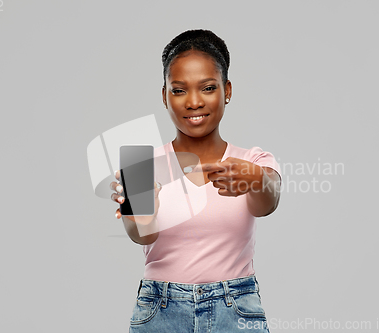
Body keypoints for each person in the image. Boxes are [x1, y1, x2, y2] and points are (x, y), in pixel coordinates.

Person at [110, 29, 281, 333]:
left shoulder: (254, 161)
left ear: (227, 90)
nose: (193, 102)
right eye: (178, 90)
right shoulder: (139, 166)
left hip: (235, 309)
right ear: (164, 96)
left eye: (207, 88)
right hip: (161, 312)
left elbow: (268, 202)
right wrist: (142, 211)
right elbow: (142, 235)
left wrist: (256, 179)